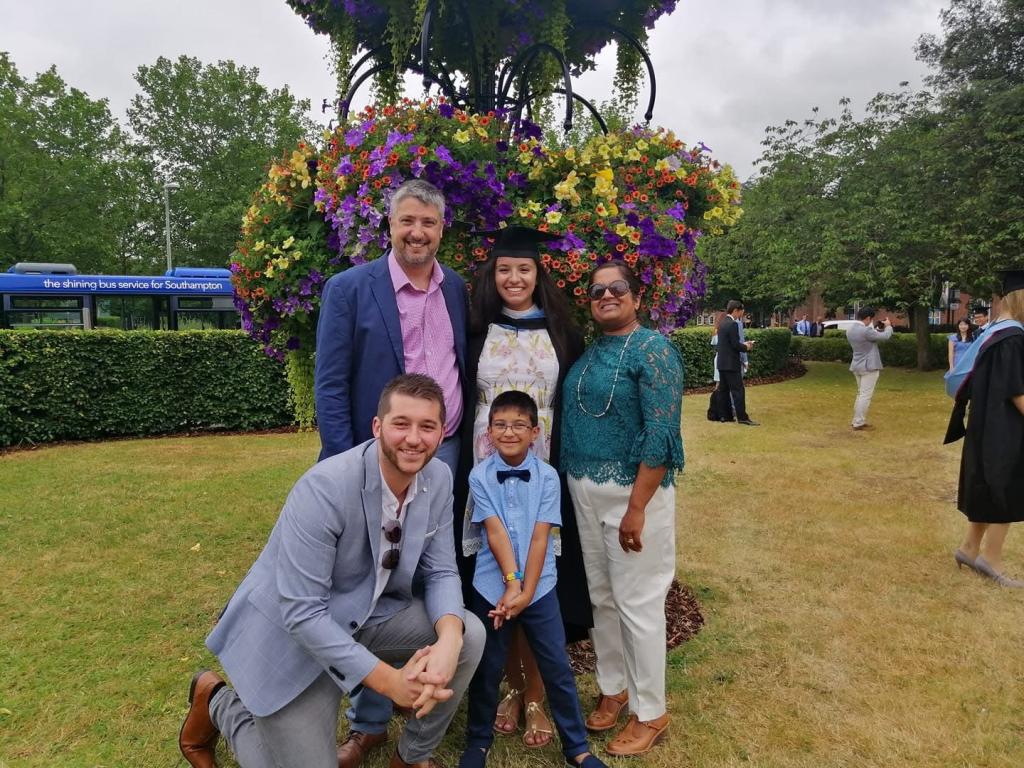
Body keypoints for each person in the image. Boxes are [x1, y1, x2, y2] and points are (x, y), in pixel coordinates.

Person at [178, 374, 486, 768]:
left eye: (427, 426)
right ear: (378, 428)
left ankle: (410, 758)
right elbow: (302, 614)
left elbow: (442, 570)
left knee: (468, 633)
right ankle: (220, 701)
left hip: (371, 614)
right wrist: (390, 682)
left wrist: (447, 641)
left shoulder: (439, 478)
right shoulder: (323, 489)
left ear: (442, 432)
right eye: (401, 424)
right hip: (295, 637)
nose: (414, 438)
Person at [314, 179, 471, 765]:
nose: (417, 233)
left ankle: (409, 709)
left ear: (441, 230)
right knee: (369, 584)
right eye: (407, 221)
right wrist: (345, 469)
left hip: (444, 450)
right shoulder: (350, 289)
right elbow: (330, 385)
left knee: (422, 574)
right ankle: (369, 717)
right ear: (389, 224)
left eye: (428, 224)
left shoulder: (455, 288)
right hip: (372, 456)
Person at [455, 226, 591, 748]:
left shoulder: (562, 332)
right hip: (486, 477)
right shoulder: (474, 330)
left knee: (541, 583)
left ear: (539, 274)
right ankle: (509, 689)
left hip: (542, 476)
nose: (514, 278)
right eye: (505, 269)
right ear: (493, 274)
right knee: (495, 580)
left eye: (525, 269)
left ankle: (536, 695)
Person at [561, 261, 684, 757]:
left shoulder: (654, 350)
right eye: (597, 290)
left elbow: (661, 434)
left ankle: (650, 711)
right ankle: (614, 687)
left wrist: (637, 507)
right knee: (602, 598)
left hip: (633, 496)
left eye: (618, 289)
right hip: (584, 491)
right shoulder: (592, 351)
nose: (606, 295)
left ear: (636, 298)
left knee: (639, 604)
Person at [458, 391, 607, 768]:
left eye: (519, 425)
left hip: (540, 587)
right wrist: (511, 584)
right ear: (489, 431)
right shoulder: (480, 475)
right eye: (500, 425)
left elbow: (542, 537)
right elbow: (494, 533)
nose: (509, 432)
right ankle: (478, 741)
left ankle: (577, 747)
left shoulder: (548, 478)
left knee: (557, 665)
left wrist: (525, 590)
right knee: (487, 666)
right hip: (492, 586)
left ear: (535, 432)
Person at [946, 270, 1024, 587]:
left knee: (986, 483)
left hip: (982, 421)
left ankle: (968, 548)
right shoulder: (1014, 338)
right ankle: (989, 560)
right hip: (1004, 425)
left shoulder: (991, 332)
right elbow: (1017, 391)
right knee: (1005, 487)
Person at [846, 307, 893, 431]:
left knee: (860, 394)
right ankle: (858, 422)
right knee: (865, 396)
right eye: (871, 319)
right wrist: (888, 326)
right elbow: (886, 336)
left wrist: (877, 329)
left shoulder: (850, 330)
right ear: (868, 318)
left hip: (857, 365)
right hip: (869, 366)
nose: (871, 321)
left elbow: (870, 336)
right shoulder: (866, 331)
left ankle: (856, 420)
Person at [717, 300, 758, 426]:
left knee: (723, 391)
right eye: (741, 312)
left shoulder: (722, 323)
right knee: (738, 391)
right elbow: (735, 345)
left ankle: (724, 415)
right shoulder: (733, 324)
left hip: (722, 363)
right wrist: (747, 347)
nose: (741, 314)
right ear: (735, 310)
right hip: (731, 364)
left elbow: (727, 344)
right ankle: (742, 417)